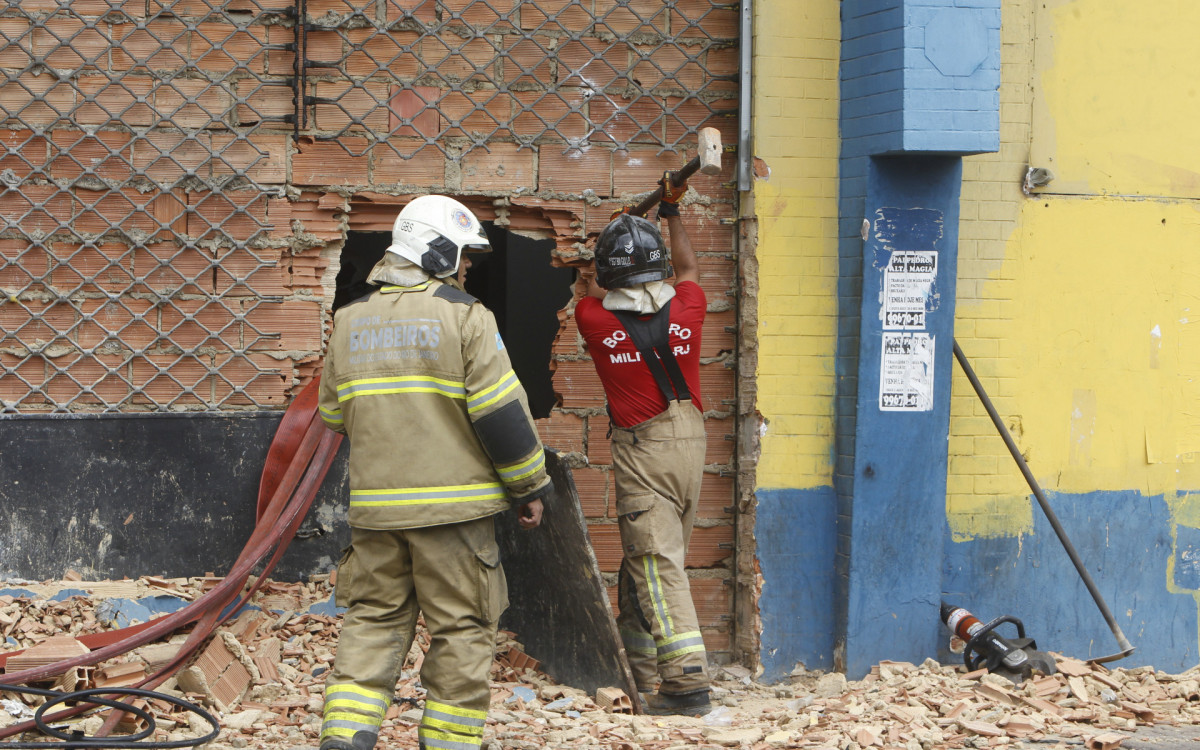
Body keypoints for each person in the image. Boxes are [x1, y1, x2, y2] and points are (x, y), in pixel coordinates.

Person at [317, 195, 555, 750]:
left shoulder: (349, 321)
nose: (467, 268)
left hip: (376, 513)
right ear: (438, 251)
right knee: (463, 628)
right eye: (463, 257)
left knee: (373, 620)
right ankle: (448, 742)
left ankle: (346, 733)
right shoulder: (466, 317)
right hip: (453, 514)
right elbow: (501, 415)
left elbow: (333, 415)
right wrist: (530, 485)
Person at [575, 175, 711, 716]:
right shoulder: (691, 308)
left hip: (645, 451)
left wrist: (613, 230)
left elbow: (587, 286)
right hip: (692, 444)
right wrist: (670, 212)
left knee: (656, 563)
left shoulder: (594, 319)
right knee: (642, 562)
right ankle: (640, 669)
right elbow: (690, 270)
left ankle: (686, 683)